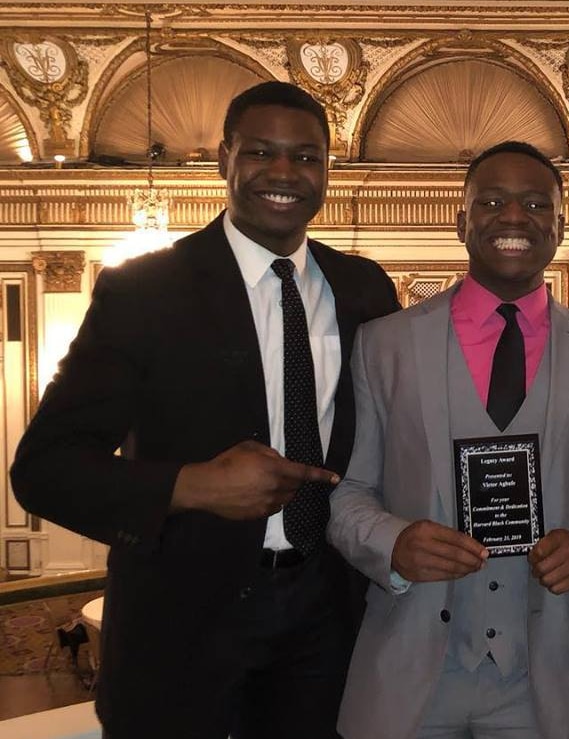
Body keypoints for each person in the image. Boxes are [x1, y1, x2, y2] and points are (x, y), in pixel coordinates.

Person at [10, 81, 402, 739]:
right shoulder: (146, 290)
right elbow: (44, 468)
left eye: (305, 156)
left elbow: (421, 398)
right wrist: (192, 485)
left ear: (327, 170)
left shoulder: (362, 287)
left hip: (328, 619)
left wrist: (560, 323)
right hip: (180, 624)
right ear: (224, 159)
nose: (284, 172)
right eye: (260, 152)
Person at [327, 140, 569, 739]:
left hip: (548, 682)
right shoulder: (384, 344)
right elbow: (349, 494)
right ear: (462, 220)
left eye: (535, 203)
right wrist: (393, 543)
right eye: (493, 201)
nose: (513, 217)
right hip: (410, 675)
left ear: (560, 225)